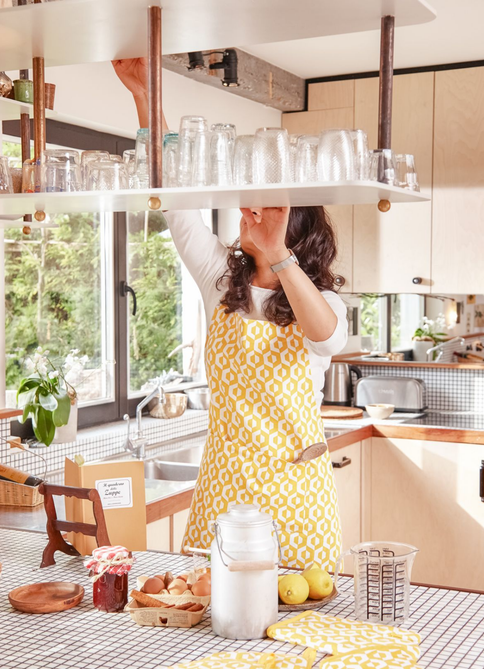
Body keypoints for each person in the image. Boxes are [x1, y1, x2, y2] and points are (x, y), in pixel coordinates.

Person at [114, 59, 348, 570]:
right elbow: (175, 200)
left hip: (296, 498)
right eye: (248, 204)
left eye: (266, 208)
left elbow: (328, 342)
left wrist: (278, 255)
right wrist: (146, 97)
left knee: (303, 625)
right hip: (224, 488)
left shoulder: (323, 302)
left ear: (297, 224)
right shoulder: (219, 277)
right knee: (210, 618)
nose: (248, 213)